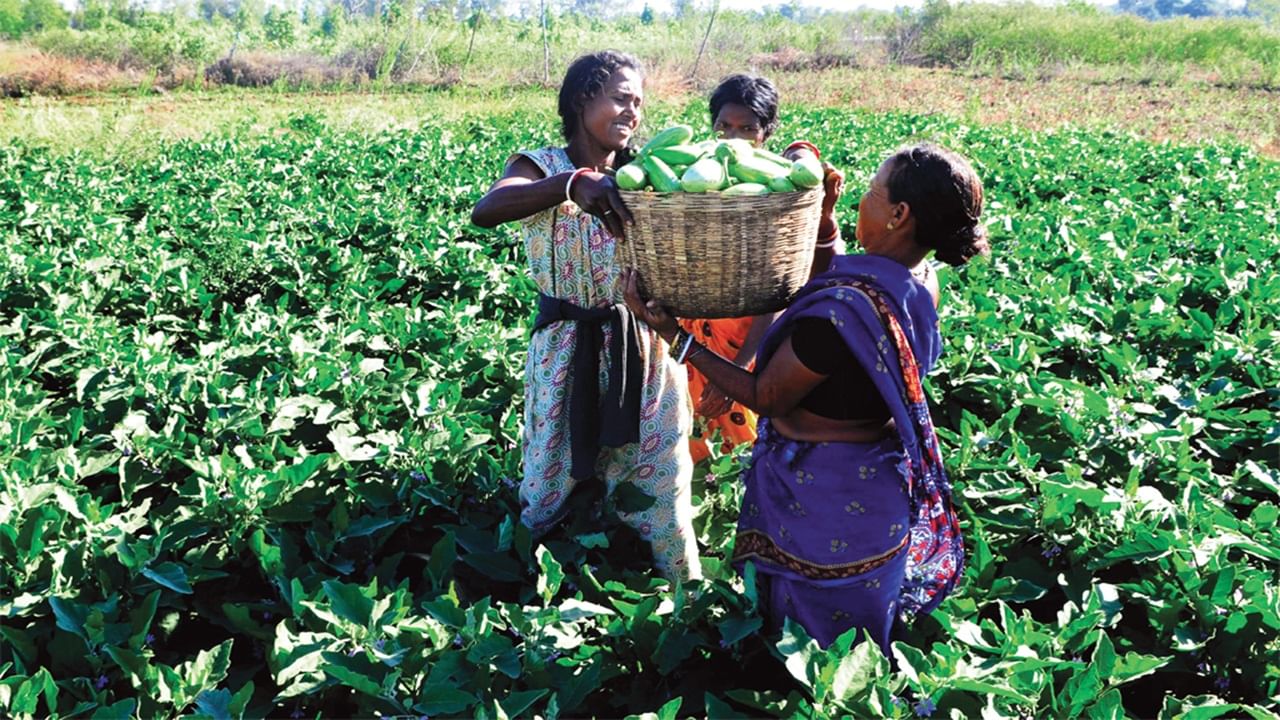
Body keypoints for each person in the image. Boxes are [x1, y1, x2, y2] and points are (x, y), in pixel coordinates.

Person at [622, 143, 983, 649]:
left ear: (899, 214)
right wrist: (827, 219)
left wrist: (674, 335)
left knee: (805, 648)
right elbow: (846, 271)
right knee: (854, 649)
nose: (864, 200)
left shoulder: (838, 319)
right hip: (874, 487)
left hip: (820, 494)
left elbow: (765, 396)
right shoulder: (919, 280)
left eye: (874, 194)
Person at [471, 51, 700, 580]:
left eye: (639, 102)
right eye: (621, 98)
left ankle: (676, 596)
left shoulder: (645, 176)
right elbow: (488, 209)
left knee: (659, 479)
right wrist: (572, 184)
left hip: (642, 350)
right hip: (566, 347)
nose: (632, 112)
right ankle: (531, 596)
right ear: (581, 100)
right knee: (550, 476)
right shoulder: (540, 166)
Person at [682, 73, 847, 464]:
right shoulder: (694, 179)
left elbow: (775, 291)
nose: (733, 138)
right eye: (723, 126)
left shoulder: (774, 189)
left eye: (748, 128)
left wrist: (739, 369)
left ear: (765, 133)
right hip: (691, 335)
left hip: (746, 339)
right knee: (687, 434)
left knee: (742, 447)